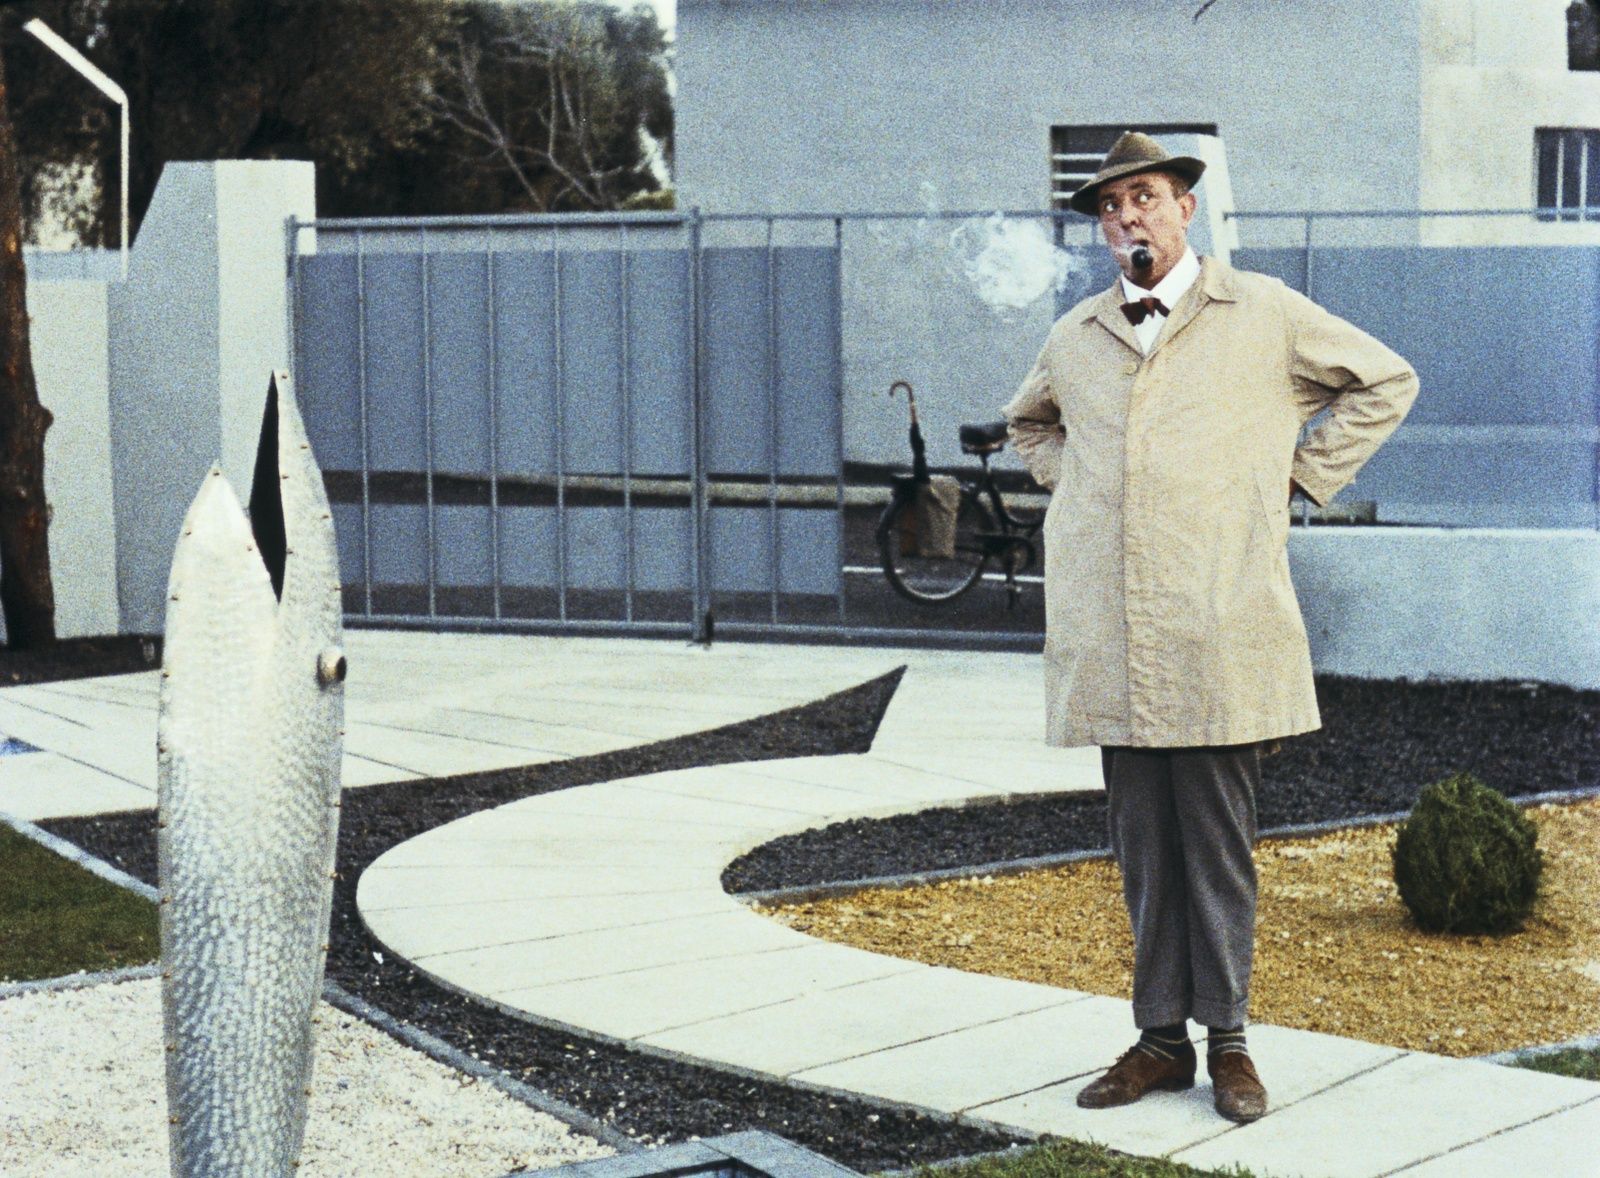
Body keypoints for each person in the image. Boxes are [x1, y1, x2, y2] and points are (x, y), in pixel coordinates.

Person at [1002, 132, 1418, 1123]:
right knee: (1143, 853)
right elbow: (1029, 423)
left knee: (1218, 851)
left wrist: (1299, 478)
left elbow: (1386, 381)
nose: (1126, 218)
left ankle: (1228, 1041)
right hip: (1116, 635)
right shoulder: (1076, 335)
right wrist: (1079, 488)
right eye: (1110, 207)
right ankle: (1159, 1040)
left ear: (1184, 207)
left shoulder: (1262, 313)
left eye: (1143, 197)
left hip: (1220, 625)